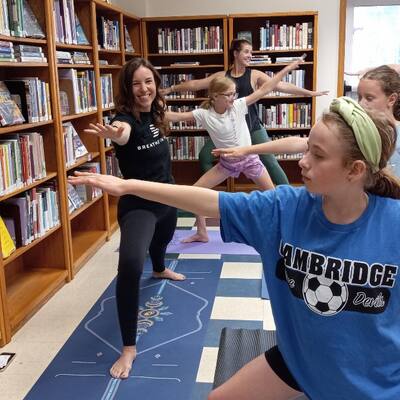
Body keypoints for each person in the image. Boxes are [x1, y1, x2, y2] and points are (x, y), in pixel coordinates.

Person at [69, 96, 400, 399]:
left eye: (318, 154)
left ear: (354, 171)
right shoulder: (285, 208)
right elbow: (211, 201)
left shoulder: (393, 225)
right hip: (301, 362)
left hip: (369, 383)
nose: (302, 161)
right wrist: (128, 185)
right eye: (307, 148)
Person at [82, 57, 185, 380]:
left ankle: (159, 267)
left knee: (163, 240)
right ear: (128, 89)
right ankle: (128, 347)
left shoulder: (157, 114)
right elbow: (122, 133)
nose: (144, 89)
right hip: (139, 204)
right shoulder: (123, 119)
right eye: (137, 83)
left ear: (156, 83)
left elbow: (175, 115)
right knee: (129, 264)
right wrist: (114, 133)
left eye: (149, 81)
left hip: (167, 197)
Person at [166, 60, 301, 242]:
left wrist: (287, 69)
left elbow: (265, 89)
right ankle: (202, 232)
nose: (233, 97)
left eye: (233, 93)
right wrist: (148, 109)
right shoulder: (204, 114)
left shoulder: (238, 105)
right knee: (195, 192)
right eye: (229, 94)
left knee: (274, 196)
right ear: (215, 96)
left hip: (250, 160)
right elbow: (175, 117)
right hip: (227, 164)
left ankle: (287, 231)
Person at [161, 38, 329, 185]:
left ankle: (286, 194)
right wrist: (171, 89)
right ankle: (213, 191)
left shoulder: (254, 74)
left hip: (252, 127)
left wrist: (310, 93)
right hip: (226, 128)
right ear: (236, 53)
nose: (250, 55)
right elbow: (196, 84)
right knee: (205, 156)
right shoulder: (222, 76)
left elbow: (279, 85)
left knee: (269, 161)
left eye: (251, 52)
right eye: (247, 52)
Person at [216, 64, 400, 180]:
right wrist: (245, 150)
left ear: (391, 99)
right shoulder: (352, 128)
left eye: (369, 98)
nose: (361, 104)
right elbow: (300, 143)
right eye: (359, 96)